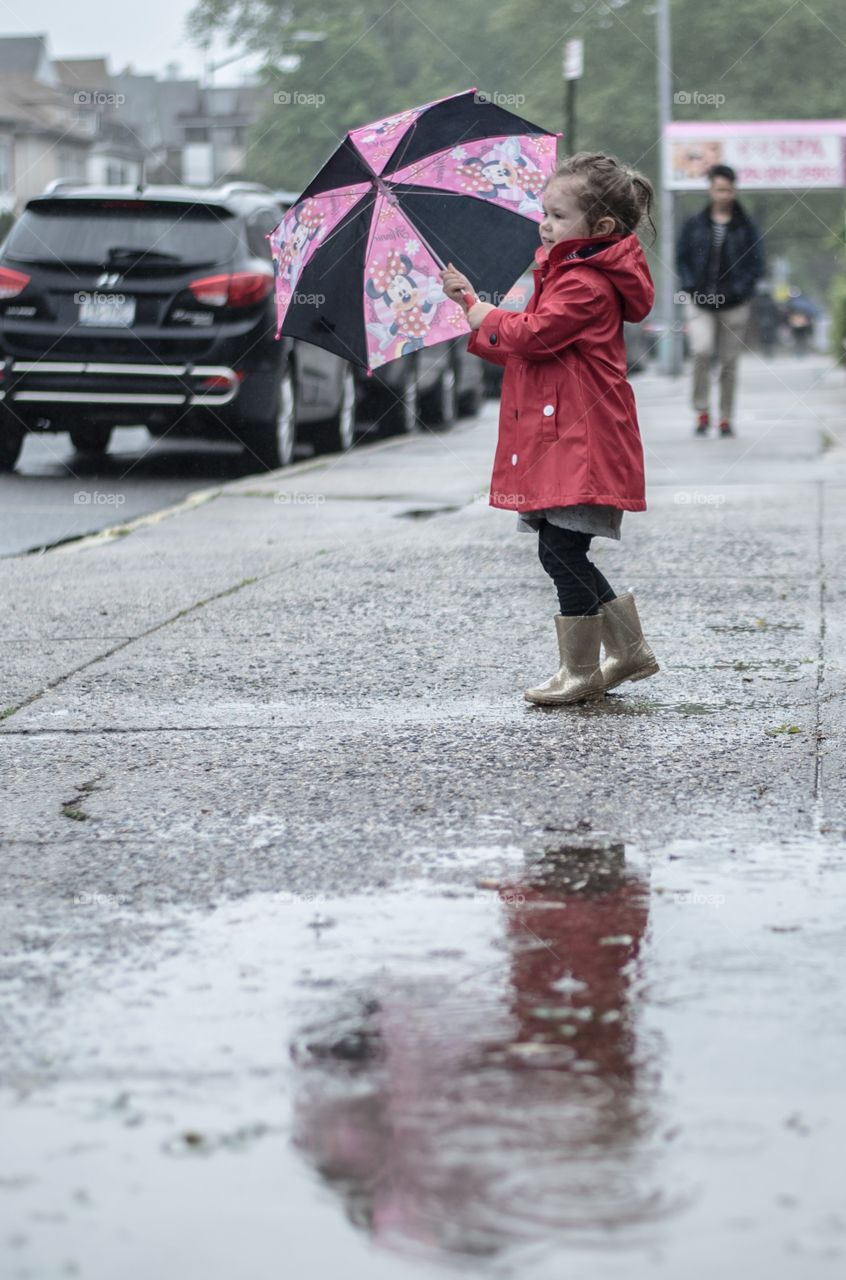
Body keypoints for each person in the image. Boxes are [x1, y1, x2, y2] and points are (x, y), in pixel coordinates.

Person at [440, 151, 659, 707]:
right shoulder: (565, 273)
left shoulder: (584, 282)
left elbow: (534, 336)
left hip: (583, 441)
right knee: (559, 549)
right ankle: (625, 653)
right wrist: (471, 303)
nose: (545, 223)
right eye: (545, 211)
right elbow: (527, 353)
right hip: (561, 438)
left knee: (561, 551)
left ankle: (583, 669)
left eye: (559, 216)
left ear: (601, 228)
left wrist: (482, 314)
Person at [676, 163, 765, 437]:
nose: (723, 194)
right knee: (700, 351)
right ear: (710, 190)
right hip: (700, 301)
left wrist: (743, 290)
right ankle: (702, 411)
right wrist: (690, 285)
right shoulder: (695, 224)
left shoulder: (746, 226)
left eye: (728, 190)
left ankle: (725, 417)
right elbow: (682, 259)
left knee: (729, 362)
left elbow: (757, 264)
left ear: (734, 190)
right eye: (718, 189)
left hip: (735, 304)